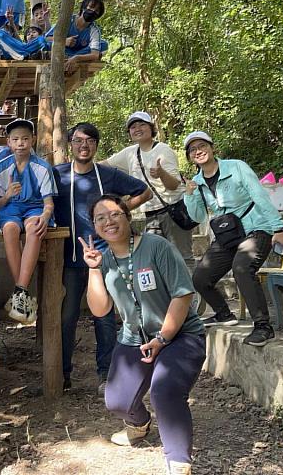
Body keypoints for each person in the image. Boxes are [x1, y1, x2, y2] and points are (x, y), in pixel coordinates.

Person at [83, 194, 205, 475]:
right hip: (134, 340)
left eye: (114, 214)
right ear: (94, 226)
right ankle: (139, 424)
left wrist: (162, 338)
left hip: (181, 336)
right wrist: (93, 271)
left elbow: (183, 295)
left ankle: (178, 461)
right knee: (116, 402)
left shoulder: (156, 246)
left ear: (127, 216)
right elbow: (100, 310)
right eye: (100, 218)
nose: (108, 221)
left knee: (164, 391)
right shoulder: (104, 261)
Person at [53, 122, 151, 393]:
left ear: (96, 146)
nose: (84, 146)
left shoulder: (107, 175)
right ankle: (61, 374)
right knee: (67, 316)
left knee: (104, 315)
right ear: (70, 144)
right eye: (78, 141)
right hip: (70, 257)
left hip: (104, 255)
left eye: (90, 141)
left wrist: (117, 212)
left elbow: (144, 190)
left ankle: (106, 374)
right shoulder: (56, 175)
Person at [182, 131, 283, 347]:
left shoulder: (236, 167)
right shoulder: (197, 182)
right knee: (200, 279)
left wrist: (278, 228)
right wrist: (190, 194)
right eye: (192, 149)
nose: (198, 151)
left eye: (202, 145)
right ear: (189, 157)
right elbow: (198, 217)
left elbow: (259, 195)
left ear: (212, 148)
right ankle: (223, 314)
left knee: (242, 268)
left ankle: (263, 327)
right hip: (228, 235)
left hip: (256, 227)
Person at [103, 111, 194, 272]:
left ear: (151, 128)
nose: (137, 129)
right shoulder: (129, 153)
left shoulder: (163, 149)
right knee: (155, 259)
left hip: (172, 211)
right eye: (133, 126)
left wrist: (161, 173)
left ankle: (193, 297)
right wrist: (76, 167)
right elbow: (104, 165)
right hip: (150, 215)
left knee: (182, 257)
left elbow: (174, 185)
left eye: (142, 124)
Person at [0, 119, 57, 324]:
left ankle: (19, 291)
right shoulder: (1, 167)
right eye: (16, 139)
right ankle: (22, 293)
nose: (21, 143)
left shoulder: (42, 167)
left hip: (35, 208)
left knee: (34, 227)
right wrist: (8, 195)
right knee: (10, 229)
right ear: (8, 142)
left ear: (33, 140)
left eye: (25, 139)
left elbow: (48, 203)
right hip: (9, 208)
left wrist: (45, 217)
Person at [45, 0, 108, 73]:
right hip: (62, 50)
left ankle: (69, 58)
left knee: (103, 44)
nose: (93, 11)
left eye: (96, 11)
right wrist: (64, 41)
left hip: (79, 53)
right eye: (91, 7)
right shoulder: (67, 20)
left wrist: (76, 58)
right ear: (84, 7)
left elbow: (95, 54)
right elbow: (47, 38)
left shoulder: (94, 30)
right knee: (46, 44)